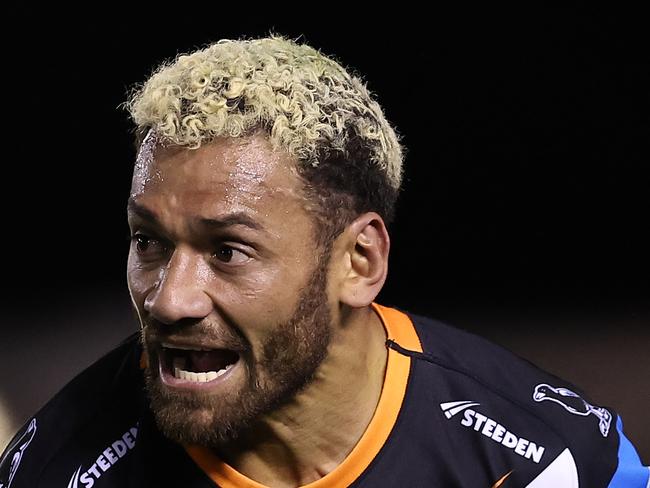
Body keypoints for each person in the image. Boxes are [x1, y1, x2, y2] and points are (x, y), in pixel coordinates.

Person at [1, 36, 647, 488]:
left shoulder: (545, 462)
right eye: (149, 242)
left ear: (359, 262)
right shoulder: (60, 467)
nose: (170, 300)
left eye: (228, 250)